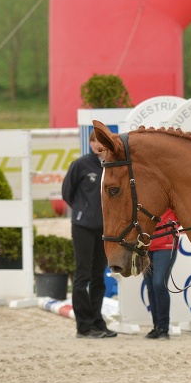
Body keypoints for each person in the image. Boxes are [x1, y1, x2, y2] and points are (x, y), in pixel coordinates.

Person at [62, 129, 116, 339]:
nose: (97, 145)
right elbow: (67, 192)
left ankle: (97, 321)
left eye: (100, 141)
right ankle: (83, 326)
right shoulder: (81, 165)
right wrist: (82, 211)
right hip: (83, 227)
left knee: (98, 277)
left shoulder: (113, 165)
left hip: (104, 229)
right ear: (90, 143)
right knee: (82, 275)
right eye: (94, 141)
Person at [145, 209, 179, 340]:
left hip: (166, 245)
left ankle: (164, 328)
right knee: (151, 286)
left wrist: (172, 227)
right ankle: (157, 326)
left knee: (159, 284)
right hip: (146, 246)